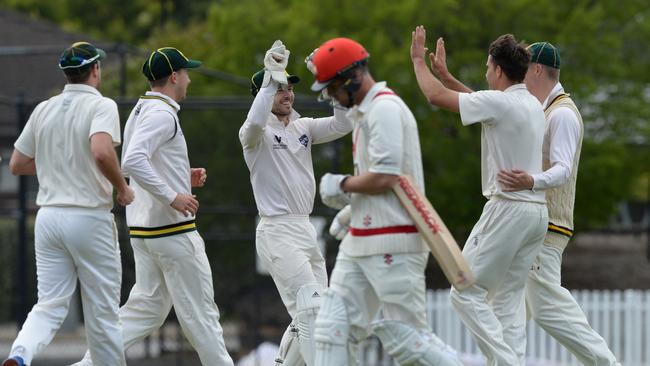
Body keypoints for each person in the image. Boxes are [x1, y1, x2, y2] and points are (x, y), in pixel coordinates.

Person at [71, 47, 233, 366]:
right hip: (173, 232)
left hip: (145, 233)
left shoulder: (141, 109)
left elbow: (134, 166)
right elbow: (132, 160)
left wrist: (181, 178)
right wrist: (173, 196)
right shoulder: (162, 113)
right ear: (174, 76)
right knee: (202, 318)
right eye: (186, 73)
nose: (188, 79)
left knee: (145, 312)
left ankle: (88, 364)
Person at [311, 36, 463, 366]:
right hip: (362, 241)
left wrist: (341, 184)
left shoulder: (385, 109)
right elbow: (384, 178)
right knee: (331, 330)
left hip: (395, 242)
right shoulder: (366, 112)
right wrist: (354, 211)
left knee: (409, 342)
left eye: (332, 87)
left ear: (351, 78)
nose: (331, 96)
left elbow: (387, 175)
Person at [410, 26, 548, 366]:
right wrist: (449, 76)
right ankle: (509, 360)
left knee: (464, 290)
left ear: (499, 70)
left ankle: (507, 363)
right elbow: (483, 103)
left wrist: (418, 61)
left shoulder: (501, 103)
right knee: (507, 302)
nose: (487, 75)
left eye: (488, 68)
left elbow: (434, 97)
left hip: (509, 210)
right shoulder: (529, 102)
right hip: (536, 214)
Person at [3, 42, 134, 366]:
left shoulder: (44, 108)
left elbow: (17, 163)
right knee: (103, 313)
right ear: (95, 70)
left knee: (48, 304)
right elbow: (102, 151)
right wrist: (122, 187)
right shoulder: (101, 105)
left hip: (48, 219)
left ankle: (20, 354)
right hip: (88, 217)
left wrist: (57, 164)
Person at [496, 42, 621, 366]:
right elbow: (492, 105)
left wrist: (530, 181)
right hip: (534, 223)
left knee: (546, 306)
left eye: (523, 71)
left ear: (536, 70)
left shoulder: (563, 113)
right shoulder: (543, 110)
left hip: (549, 225)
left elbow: (563, 169)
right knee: (509, 306)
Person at [239, 40, 353, 366]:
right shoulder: (255, 136)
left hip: (305, 229)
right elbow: (253, 125)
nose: (287, 93)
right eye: (279, 89)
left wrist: (333, 83)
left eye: (288, 87)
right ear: (263, 93)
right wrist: (268, 80)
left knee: (318, 314)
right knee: (312, 310)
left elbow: (343, 124)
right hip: (277, 231)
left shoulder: (303, 127)